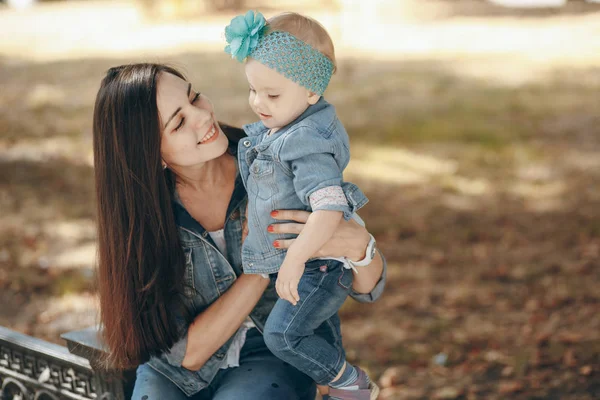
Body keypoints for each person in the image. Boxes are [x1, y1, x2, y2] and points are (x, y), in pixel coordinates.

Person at [92, 63, 386, 400]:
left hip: (271, 354)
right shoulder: (143, 219)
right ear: (149, 155)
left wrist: (360, 246)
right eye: (179, 122)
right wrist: (258, 267)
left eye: (194, 97)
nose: (202, 116)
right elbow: (186, 355)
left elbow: (368, 289)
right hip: (175, 373)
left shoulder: (275, 165)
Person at [224, 11, 378, 399]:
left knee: (283, 335)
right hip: (307, 264)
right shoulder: (286, 126)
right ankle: (337, 389)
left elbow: (327, 208)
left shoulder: (305, 139)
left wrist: (295, 259)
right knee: (313, 336)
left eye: (272, 94)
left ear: (312, 92)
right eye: (253, 90)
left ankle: (350, 382)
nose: (258, 102)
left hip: (318, 266)